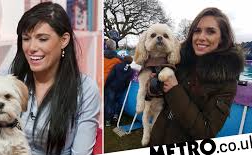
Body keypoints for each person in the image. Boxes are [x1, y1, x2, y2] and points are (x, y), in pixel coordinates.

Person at [0, 2, 100, 155]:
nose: (31, 47)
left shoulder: (85, 90)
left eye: (42, 39)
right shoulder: (13, 75)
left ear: (64, 40)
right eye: (26, 38)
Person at [150, 7, 244, 145]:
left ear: (222, 39)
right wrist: (154, 83)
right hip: (156, 139)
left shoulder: (227, 83)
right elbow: (160, 97)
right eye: (197, 31)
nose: (201, 37)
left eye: (210, 31)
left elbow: (206, 132)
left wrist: (174, 89)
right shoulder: (180, 61)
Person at [104, 56, 133, 126]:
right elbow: (127, 82)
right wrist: (124, 87)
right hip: (120, 89)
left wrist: (106, 85)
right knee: (117, 103)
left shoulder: (117, 66)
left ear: (123, 60)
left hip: (112, 87)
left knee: (109, 104)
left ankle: (108, 121)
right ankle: (115, 117)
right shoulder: (130, 70)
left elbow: (110, 77)